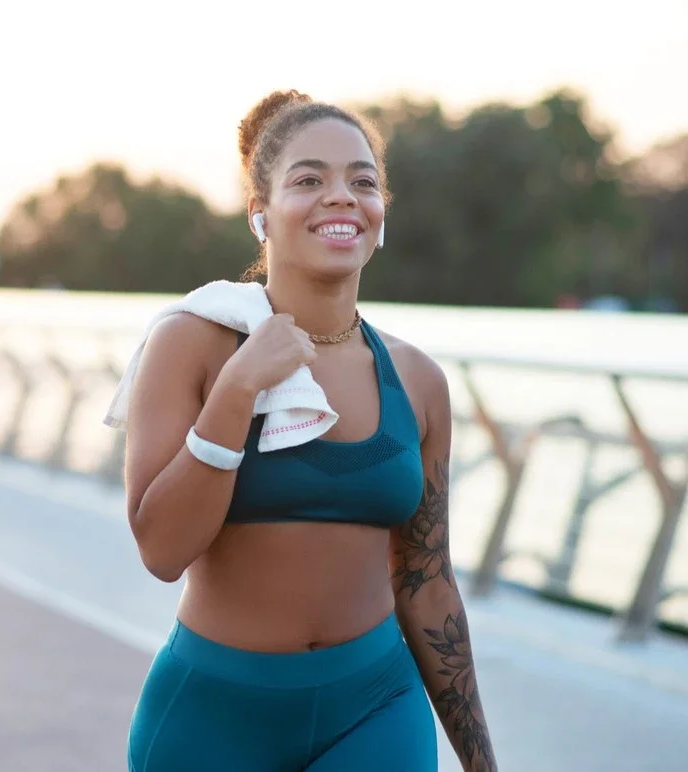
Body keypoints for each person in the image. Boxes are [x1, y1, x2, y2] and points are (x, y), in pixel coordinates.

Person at [119, 90, 497, 771]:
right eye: (308, 179)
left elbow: (428, 580)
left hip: (376, 707)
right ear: (260, 212)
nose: (341, 197)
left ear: (381, 215)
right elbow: (161, 550)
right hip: (217, 717)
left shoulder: (418, 381)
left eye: (363, 181)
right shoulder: (194, 343)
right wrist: (237, 391)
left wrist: (480, 759)